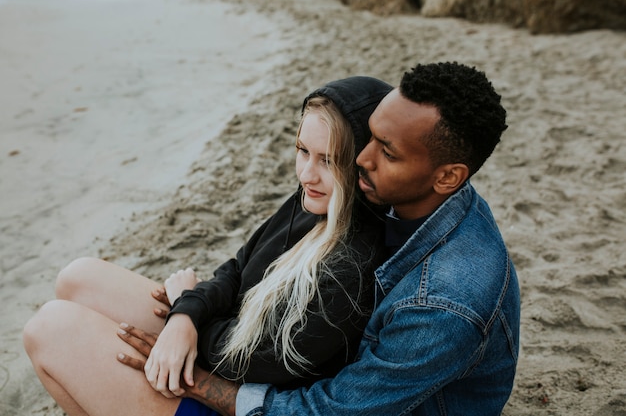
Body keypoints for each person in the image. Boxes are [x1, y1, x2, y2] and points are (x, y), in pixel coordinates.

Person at [118, 61, 521, 416]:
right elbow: (243, 266)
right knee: (79, 283)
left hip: (311, 402)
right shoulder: (407, 197)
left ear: (449, 176)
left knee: (62, 330)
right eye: (370, 138)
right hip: (269, 364)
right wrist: (187, 313)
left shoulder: (442, 304)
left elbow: (330, 410)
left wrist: (199, 382)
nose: (361, 159)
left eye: (388, 152)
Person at [22, 76, 393, 415]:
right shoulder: (312, 200)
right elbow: (235, 269)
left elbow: (258, 361)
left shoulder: (353, 267)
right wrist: (185, 315)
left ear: (363, 163)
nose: (307, 173)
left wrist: (186, 321)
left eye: (328, 160)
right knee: (78, 278)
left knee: (50, 329)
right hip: (221, 341)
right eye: (302, 151)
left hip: (236, 396)